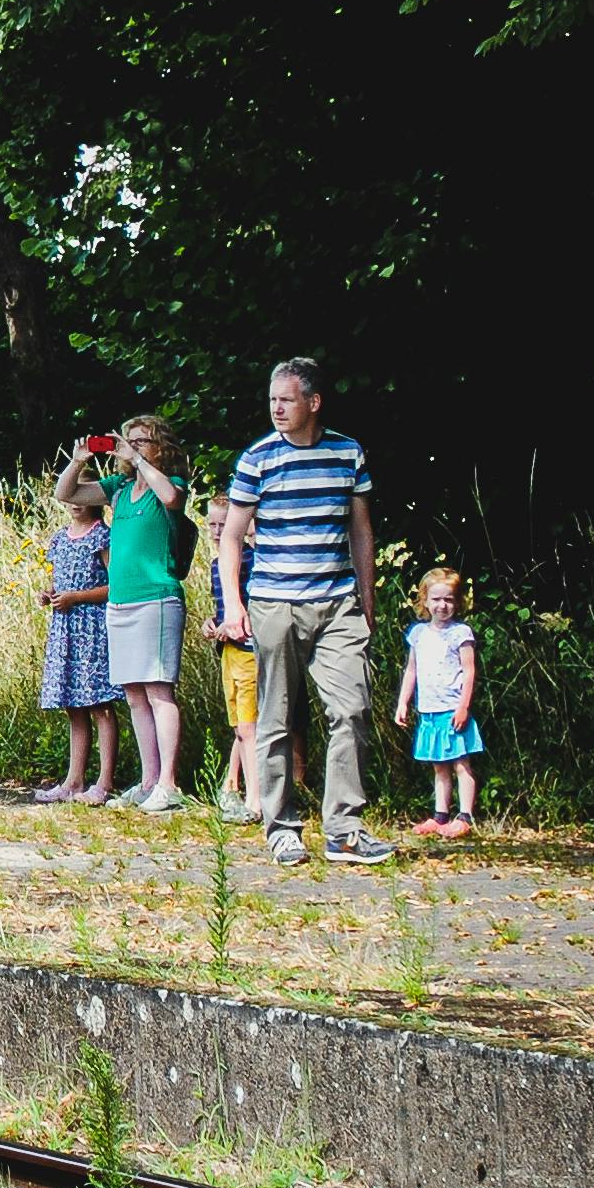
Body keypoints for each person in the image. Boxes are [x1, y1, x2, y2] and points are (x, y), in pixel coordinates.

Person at [220, 357, 390, 867]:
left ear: (313, 403)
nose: (276, 408)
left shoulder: (347, 452)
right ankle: (281, 826)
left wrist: (368, 598)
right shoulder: (258, 459)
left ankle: (344, 830)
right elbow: (231, 537)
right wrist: (233, 602)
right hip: (276, 604)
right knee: (274, 717)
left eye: (286, 399)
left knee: (351, 709)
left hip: (338, 603)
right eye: (272, 399)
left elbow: (361, 531)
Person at [55, 414, 191, 812]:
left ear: (160, 446)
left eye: (142, 441)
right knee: (134, 693)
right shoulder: (118, 489)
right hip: (122, 601)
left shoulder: (169, 484)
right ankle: (149, 780)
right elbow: (69, 494)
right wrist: (79, 459)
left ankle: (168, 782)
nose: (132, 447)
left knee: (158, 689)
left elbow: (172, 499)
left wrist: (142, 461)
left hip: (157, 597)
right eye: (127, 441)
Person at [205, 494, 308, 821]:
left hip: (251, 652)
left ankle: (256, 801)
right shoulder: (215, 566)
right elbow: (224, 607)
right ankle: (246, 794)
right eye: (213, 524)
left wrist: (232, 625)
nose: (218, 531)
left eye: (225, 524)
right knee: (240, 726)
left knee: (251, 727)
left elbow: (255, 608)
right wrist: (214, 624)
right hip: (229, 653)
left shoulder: (252, 561)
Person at [33, 479, 120, 803]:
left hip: (93, 627)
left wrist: (78, 597)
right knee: (73, 705)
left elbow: (116, 585)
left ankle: (105, 780)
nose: (76, 502)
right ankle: (74, 780)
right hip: (66, 627)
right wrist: (51, 595)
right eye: (73, 496)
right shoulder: (59, 538)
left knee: (99, 704)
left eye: (84, 496)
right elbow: (59, 581)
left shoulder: (103, 535)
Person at [393, 568, 483, 841]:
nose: (442, 605)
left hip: (453, 709)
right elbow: (412, 670)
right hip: (429, 709)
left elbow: (469, 671)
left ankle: (465, 815)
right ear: (425, 601)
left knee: (460, 763)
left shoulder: (461, 633)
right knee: (438, 765)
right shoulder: (418, 633)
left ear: (458, 602)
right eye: (436, 599)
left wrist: (463, 706)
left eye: (449, 600)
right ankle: (440, 815)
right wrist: (403, 703)